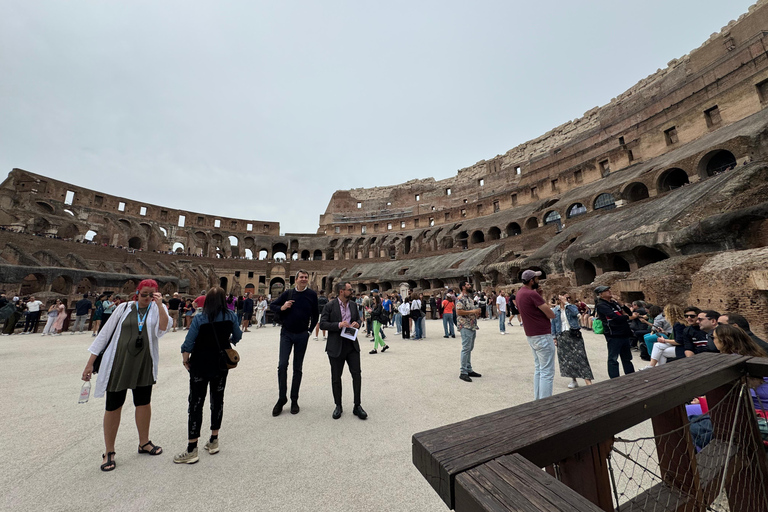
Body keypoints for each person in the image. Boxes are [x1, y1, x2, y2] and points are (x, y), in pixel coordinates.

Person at [81, 279, 171, 472]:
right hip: (119, 362)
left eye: (151, 294)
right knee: (114, 405)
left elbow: (163, 328)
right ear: (137, 293)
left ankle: (144, 442)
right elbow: (104, 335)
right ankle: (109, 451)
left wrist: (160, 304)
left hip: (144, 363)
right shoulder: (123, 308)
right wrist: (90, 363)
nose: (147, 298)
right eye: (144, 294)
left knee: (143, 402)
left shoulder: (156, 309)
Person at [173, 287, 242, 464]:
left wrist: (185, 358)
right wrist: (229, 342)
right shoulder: (231, 316)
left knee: (196, 403)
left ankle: (192, 449)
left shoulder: (200, 318)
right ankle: (213, 440)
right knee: (217, 400)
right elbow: (238, 335)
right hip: (220, 364)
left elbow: (188, 342)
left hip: (201, 364)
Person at [269, 270, 319, 417]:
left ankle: (294, 399)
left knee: (298, 368)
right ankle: (281, 398)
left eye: (305, 277)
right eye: (301, 277)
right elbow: (273, 306)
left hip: (302, 334)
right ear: (296, 279)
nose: (304, 279)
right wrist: (282, 307)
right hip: (286, 333)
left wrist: (309, 331)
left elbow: (316, 315)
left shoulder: (312, 295)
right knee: (282, 364)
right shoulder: (288, 293)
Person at [319, 281, 367, 420]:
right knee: (336, 377)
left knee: (357, 375)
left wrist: (358, 323)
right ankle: (338, 405)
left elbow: (358, 319)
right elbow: (322, 324)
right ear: (341, 291)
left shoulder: (353, 305)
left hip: (351, 344)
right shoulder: (329, 305)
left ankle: (357, 405)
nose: (351, 291)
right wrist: (339, 324)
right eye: (349, 289)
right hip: (336, 345)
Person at [517, 270, 557, 398]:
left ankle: (538, 399)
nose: (538, 281)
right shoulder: (531, 294)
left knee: (539, 369)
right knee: (547, 372)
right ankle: (545, 402)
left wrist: (539, 295)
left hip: (532, 335)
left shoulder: (520, 293)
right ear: (531, 281)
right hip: (542, 335)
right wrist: (539, 296)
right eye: (536, 279)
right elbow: (551, 314)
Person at [551, 292, 593, 388]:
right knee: (567, 359)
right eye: (565, 298)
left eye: (568, 298)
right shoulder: (555, 311)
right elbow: (553, 324)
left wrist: (567, 304)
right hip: (561, 335)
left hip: (573, 334)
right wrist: (554, 338)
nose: (567, 299)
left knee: (581, 357)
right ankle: (573, 379)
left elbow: (577, 313)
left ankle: (587, 380)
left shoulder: (571, 307)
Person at [594, 286, 635, 379]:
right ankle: (615, 379)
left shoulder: (613, 303)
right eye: (606, 291)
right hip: (614, 334)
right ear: (600, 294)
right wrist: (629, 318)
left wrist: (621, 303)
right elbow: (615, 317)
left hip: (624, 332)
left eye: (608, 290)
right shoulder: (601, 305)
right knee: (613, 358)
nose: (609, 291)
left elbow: (628, 312)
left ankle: (631, 375)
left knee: (627, 357)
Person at [456, 281, 482, 383]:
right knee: (466, 348)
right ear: (463, 287)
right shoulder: (460, 298)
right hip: (465, 325)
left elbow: (471, 311)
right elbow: (458, 312)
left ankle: (468, 368)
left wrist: (476, 313)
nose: (470, 286)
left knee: (470, 348)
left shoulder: (469, 299)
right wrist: (473, 311)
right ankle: (463, 372)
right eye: (468, 285)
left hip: (472, 325)